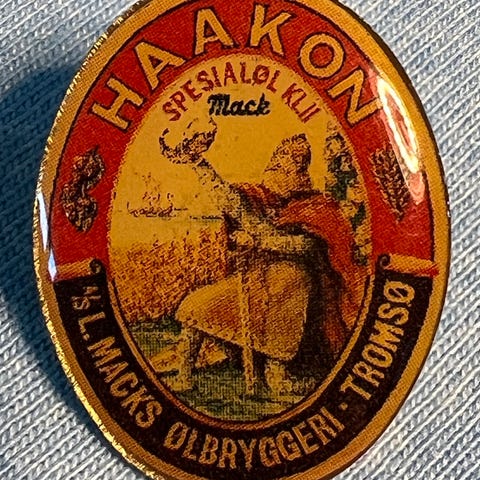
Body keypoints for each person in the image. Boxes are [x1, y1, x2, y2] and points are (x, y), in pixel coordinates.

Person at [153, 131, 365, 395]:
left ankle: (279, 377)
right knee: (195, 306)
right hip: (260, 278)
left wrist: (258, 240)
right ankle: (183, 377)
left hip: (296, 283)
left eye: (287, 156)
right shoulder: (263, 198)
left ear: (298, 167)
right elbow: (235, 205)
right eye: (279, 153)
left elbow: (303, 245)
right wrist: (200, 164)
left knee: (284, 308)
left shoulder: (317, 207)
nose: (278, 160)